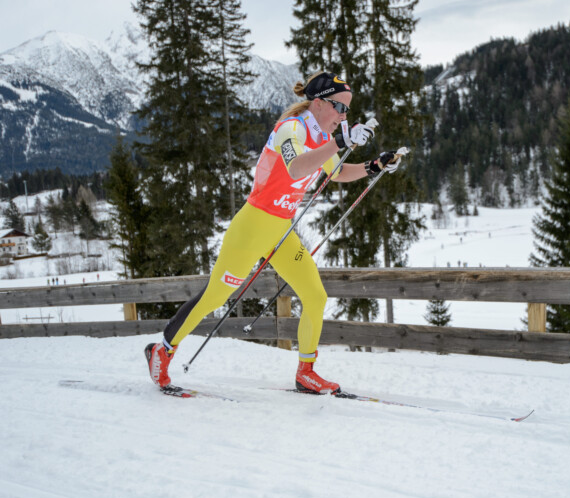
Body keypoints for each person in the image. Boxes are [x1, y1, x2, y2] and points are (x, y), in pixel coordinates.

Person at [145, 71, 402, 394]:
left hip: (281, 231)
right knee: (216, 296)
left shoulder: (321, 137)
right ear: (319, 103)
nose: (343, 116)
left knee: (315, 295)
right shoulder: (290, 129)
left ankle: (306, 372)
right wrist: (341, 141)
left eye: (347, 110)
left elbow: (335, 172)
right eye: (339, 107)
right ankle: (162, 351)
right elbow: (296, 167)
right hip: (252, 227)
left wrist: (374, 166)